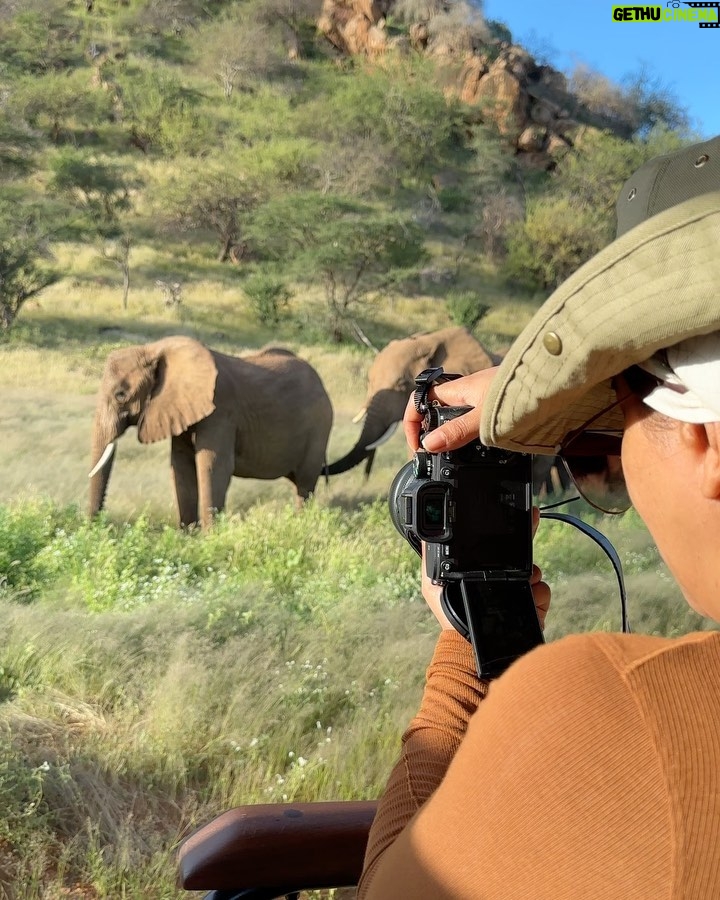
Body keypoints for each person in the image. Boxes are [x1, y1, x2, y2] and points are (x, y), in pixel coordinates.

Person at [358, 135, 720, 899]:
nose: (613, 467)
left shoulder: (630, 713)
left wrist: (467, 647)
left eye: (611, 438)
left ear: (706, 437)